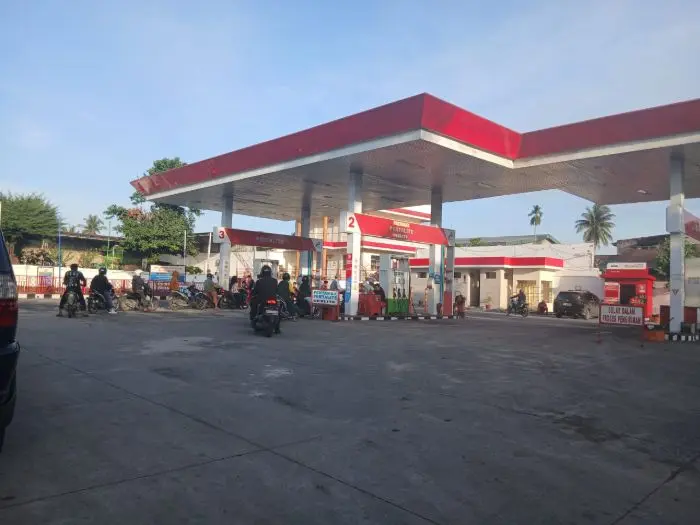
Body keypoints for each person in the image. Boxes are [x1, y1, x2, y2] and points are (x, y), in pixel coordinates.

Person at [250, 265, 281, 333]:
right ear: (270, 272)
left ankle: (253, 318)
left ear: (262, 273)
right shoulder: (275, 281)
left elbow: (255, 292)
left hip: (262, 300)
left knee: (254, 304)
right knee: (278, 310)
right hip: (273, 301)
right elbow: (277, 291)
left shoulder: (259, 281)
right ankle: (277, 328)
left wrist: (253, 294)